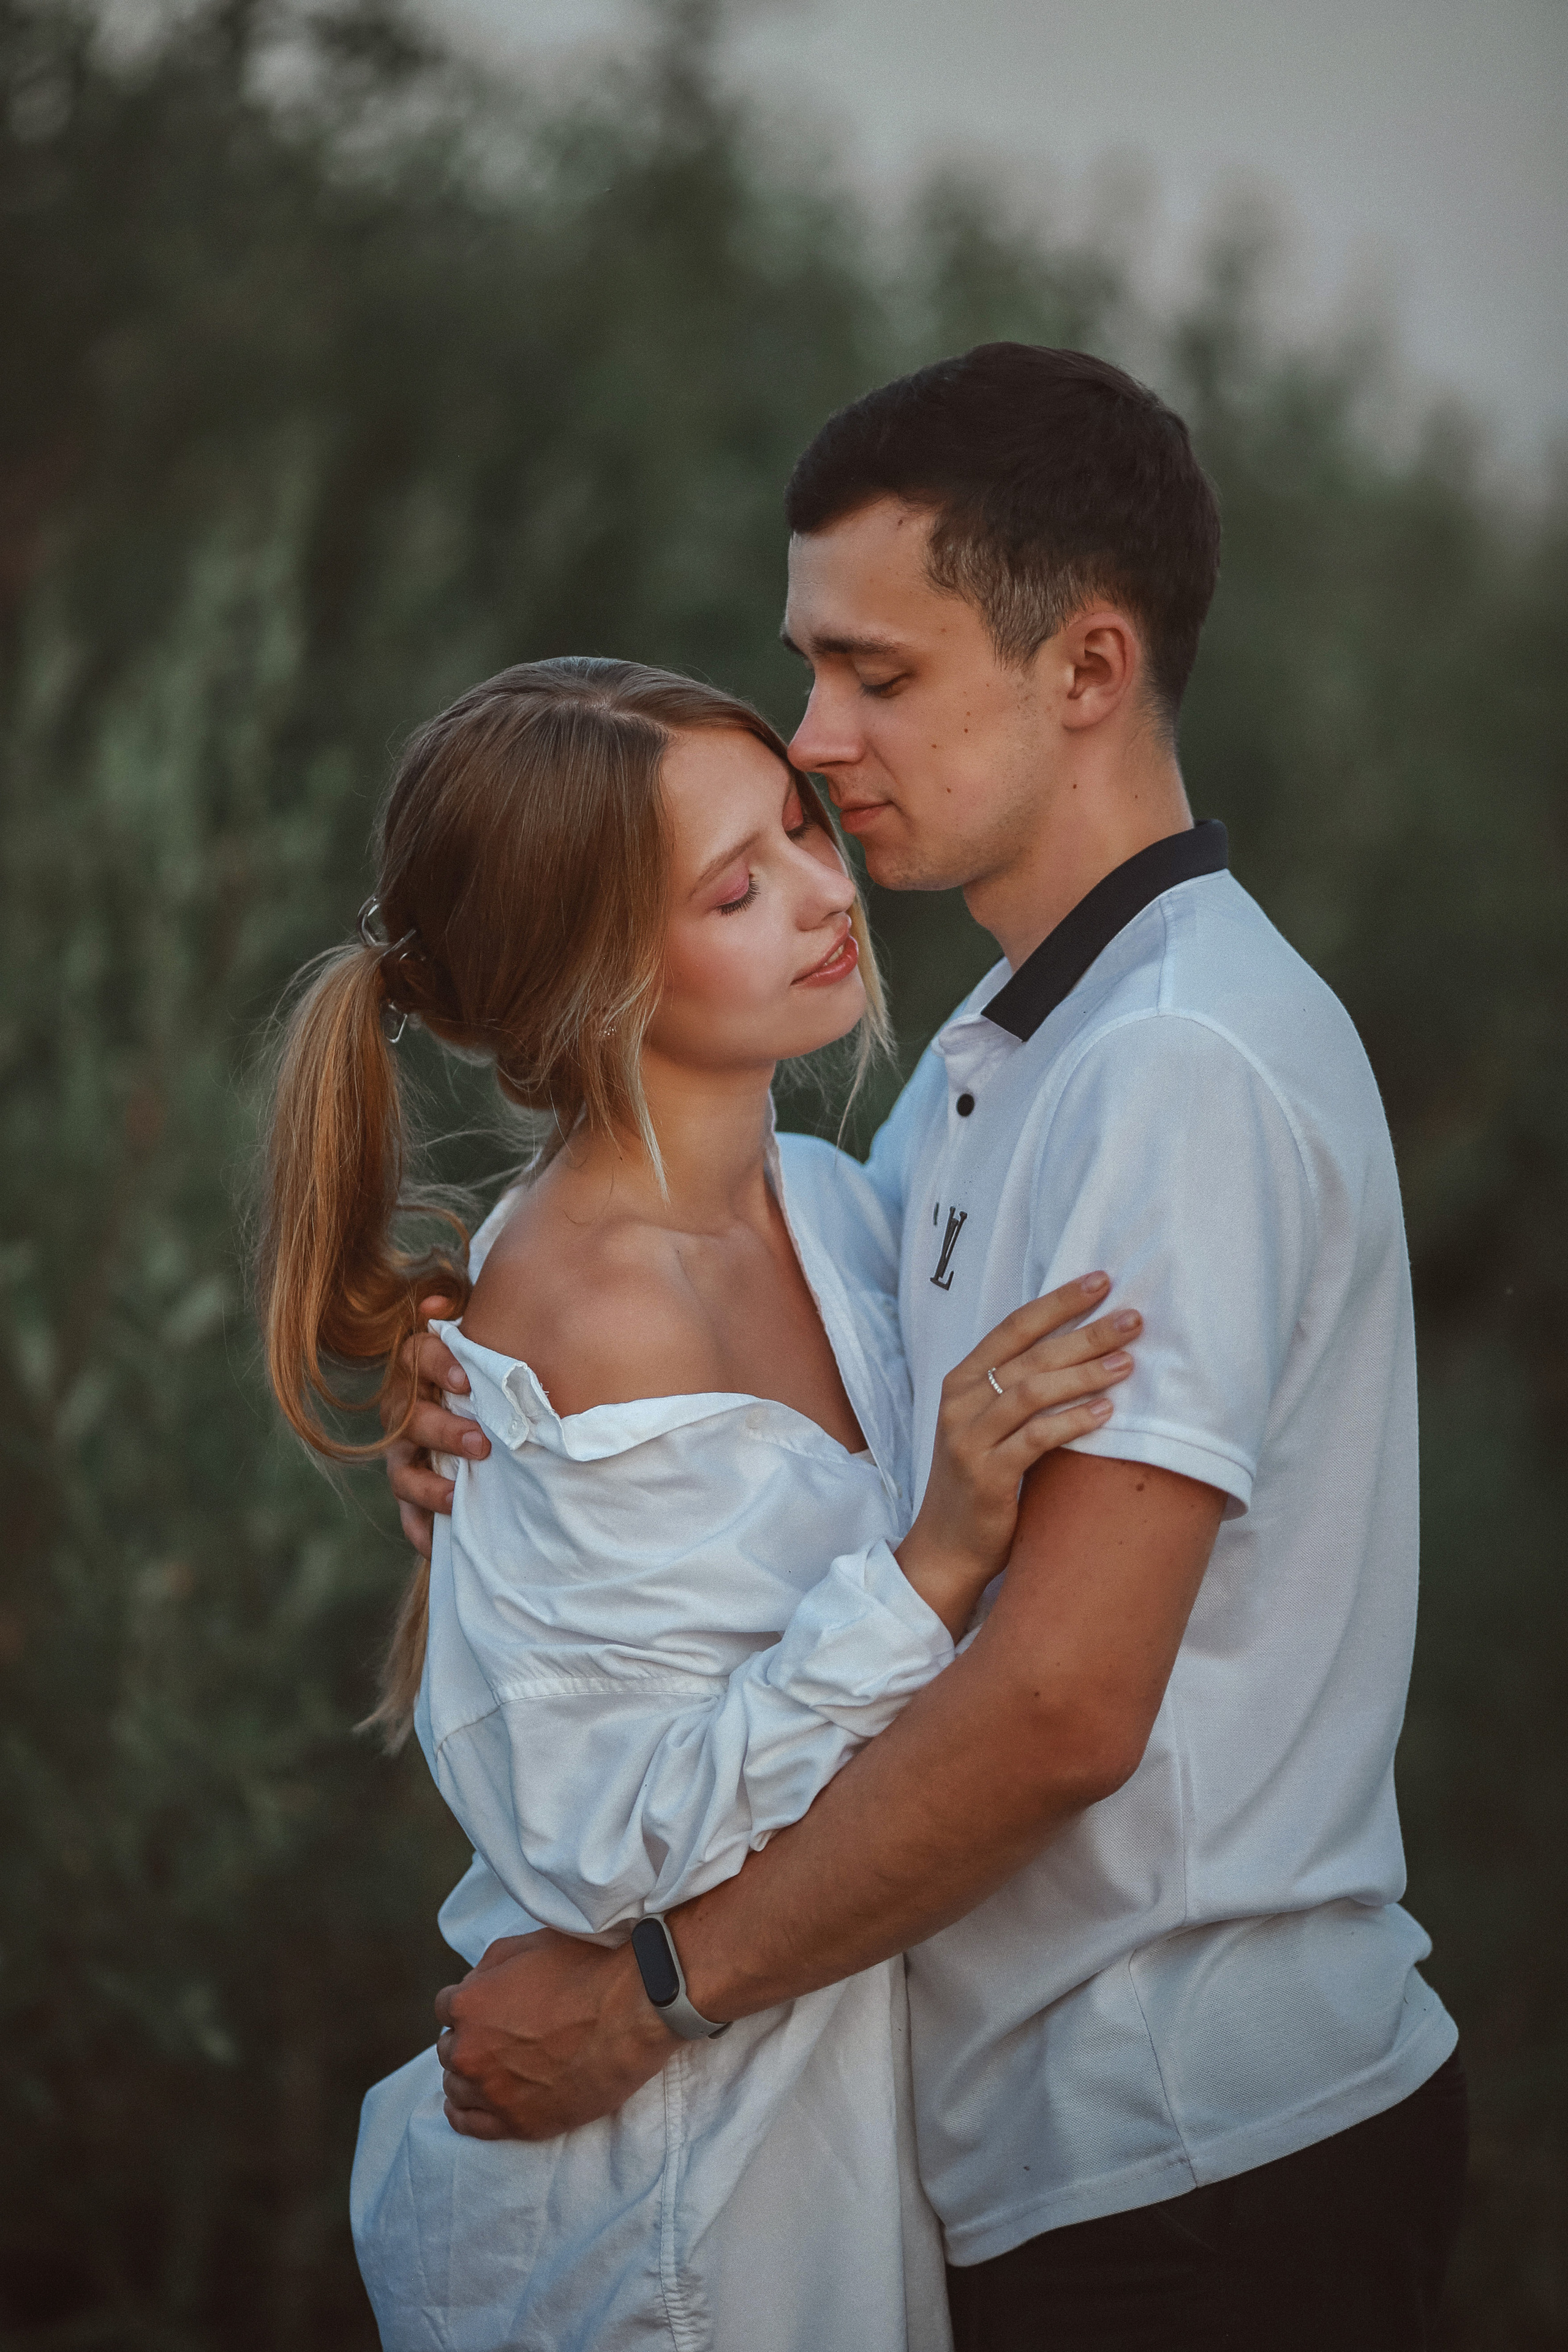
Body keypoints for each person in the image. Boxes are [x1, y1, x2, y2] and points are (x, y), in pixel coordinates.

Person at [392, 348, 1468, 2351]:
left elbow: (1062, 1703)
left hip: (1186, 2157)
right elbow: (779, 1398)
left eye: (877, 674)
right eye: (811, 667)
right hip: (1044, 2154)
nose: (819, 738)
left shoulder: (1168, 1063)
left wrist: (649, 2001)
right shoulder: (1000, 1059)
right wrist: (495, 1391)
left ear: (1088, 668)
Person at [255, 655, 1139, 2351]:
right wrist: (931, 1566)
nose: (825, 892)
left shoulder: (831, 1202)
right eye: (737, 890)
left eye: (801, 829)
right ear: (591, 983)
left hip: (824, 2139)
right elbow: (606, 1849)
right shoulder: (592, 1314)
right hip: (654, 2210)